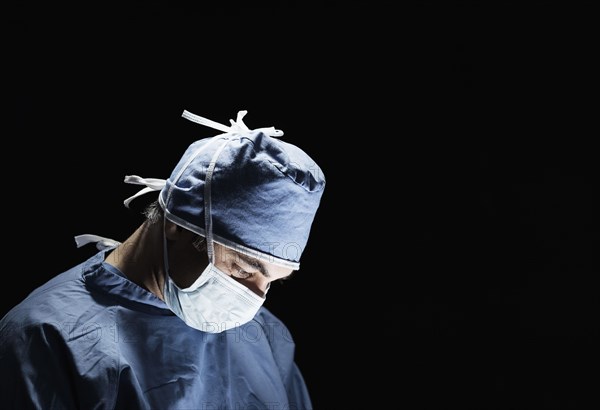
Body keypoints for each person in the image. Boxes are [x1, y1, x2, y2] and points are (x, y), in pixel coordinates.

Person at [0, 109, 326, 409]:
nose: (256, 298)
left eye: (273, 280)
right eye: (243, 269)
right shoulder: (45, 338)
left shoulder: (265, 335)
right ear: (176, 224)